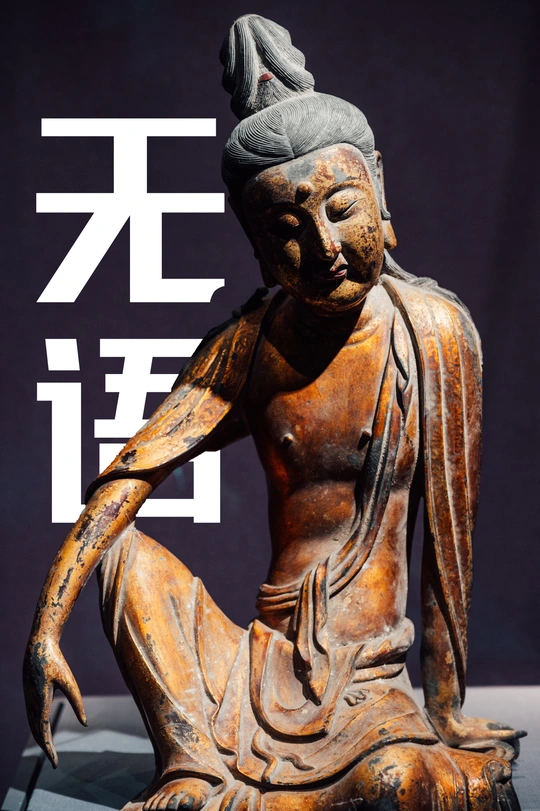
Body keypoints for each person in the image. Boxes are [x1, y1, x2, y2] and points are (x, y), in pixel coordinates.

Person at [23, 14, 526, 811]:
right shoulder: (251, 347)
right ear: (257, 244)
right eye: (288, 228)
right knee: (121, 556)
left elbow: (447, 551)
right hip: (253, 670)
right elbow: (130, 473)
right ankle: (195, 766)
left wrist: (447, 708)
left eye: (342, 207)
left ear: (380, 192)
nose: (325, 246)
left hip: (366, 681)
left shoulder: (432, 334)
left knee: (398, 783)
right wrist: (47, 625)